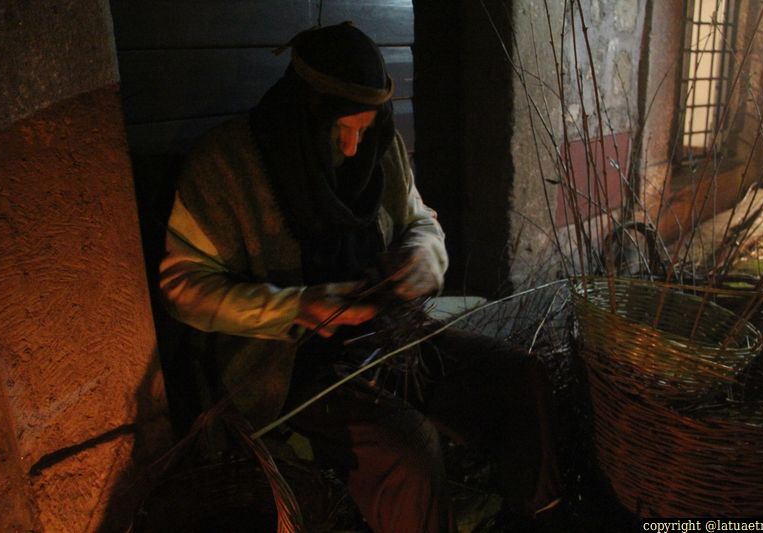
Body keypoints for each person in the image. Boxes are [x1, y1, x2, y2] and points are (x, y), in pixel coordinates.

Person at [159, 22, 560, 533]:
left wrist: (417, 261)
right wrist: (297, 306)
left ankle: (536, 520)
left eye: (364, 130)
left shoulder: (379, 150)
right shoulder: (227, 165)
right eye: (339, 131)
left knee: (518, 378)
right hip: (293, 372)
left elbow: (420, 222)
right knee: (406, 449)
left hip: (391, 344)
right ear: (302, 111)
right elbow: (182, 287)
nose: (353, 149)